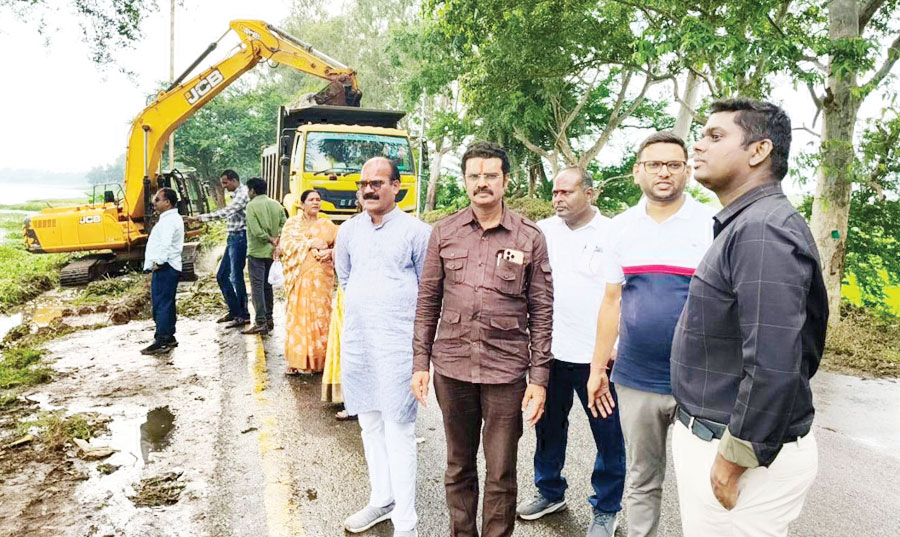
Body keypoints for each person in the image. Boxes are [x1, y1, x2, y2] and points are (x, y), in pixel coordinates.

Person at [669, 99, 827, 536]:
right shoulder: (748, 222)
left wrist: (735, 457)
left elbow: (775, 359)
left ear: (758, 151)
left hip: (738, 454)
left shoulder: (762, 229)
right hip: (719, 439)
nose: (697, 146)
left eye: (715, 136)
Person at [412, 141, 554, 537]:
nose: (482, 183)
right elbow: (427, 302)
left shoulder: (529, 237)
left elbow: (542, 310)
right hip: (453, 367)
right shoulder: (444, 232)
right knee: (458, 465)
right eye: (474, 176)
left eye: (491, 175)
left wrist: (539, 379)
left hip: (505, 373)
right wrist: (420, 364)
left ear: (505, 181)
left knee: (501, 470)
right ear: (465, 181)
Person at [586, 132, 716, 537]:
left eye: (674, 164)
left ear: (687, 171)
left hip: (702, 381)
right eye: (655, 164)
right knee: (643, 477)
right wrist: (596, 369)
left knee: (705, 482)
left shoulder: (713, 224)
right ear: (636, 172)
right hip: (637, 378)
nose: (665, 172)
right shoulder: (620, 228)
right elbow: (611, 303)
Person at [516, 167, 625, 537]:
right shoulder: (542, 231)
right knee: (548, 427)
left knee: (608, 435)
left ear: (590, 194)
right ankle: (549, 491)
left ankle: (607, 507)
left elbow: (624, 295)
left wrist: (614, 346)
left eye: (566, 192)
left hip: (597, 357)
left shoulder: (613, 233)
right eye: (555, 192)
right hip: (549, 353)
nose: (558, 198)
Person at [335, 157, 431, 537]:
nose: (368, 189)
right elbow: (346, 279)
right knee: (369, 423)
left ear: (396, 187)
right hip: (360, 341)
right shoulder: (348, 231)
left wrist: (424, 350)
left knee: (399, 428)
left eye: (377, 182)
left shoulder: (416, 231)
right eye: (363, 184)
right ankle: (382, 500)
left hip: (398, 345)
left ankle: (406, 522)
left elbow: (429, 291)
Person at [276, 189, 338, 374]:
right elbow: (286, 246)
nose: (315, 203)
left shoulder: (327, 224)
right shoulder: (293, 224)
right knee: (300, 317)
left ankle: (319, 360)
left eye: (318, 200)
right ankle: (299, 361)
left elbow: (339, 243)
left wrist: (329, 252)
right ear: (302, 204)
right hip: (300, 277)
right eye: (311, 200)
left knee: (321, 316)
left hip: (321, 279)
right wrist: (309, 244)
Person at [186, 169, 250, 328]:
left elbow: (226, 212)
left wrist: (200, 218)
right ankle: (234, 310)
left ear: (234, 180)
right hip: (233, 238)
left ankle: (243, 314)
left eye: (225, 183)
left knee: (236, 276)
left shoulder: (242, 194)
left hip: (240, 237)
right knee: (222, 275)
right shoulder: (236, 194)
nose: (224, 186)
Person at [141, 187, 184, 355]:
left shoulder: (168, 221)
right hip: (169, 266)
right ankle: (169, 336)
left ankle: (162, 340)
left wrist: (159, 262)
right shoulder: (171, 218)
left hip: (165, 267)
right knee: (167, 302)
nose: (154, 203)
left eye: (157, 200)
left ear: (167, 202)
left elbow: (166, 244)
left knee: (161, 304)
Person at [243, 178, 286, 336]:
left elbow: (255, 231)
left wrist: (268, 238)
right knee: (268, 286)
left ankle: (260, 321)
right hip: (271, 252)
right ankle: (269, 319)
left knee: (257, 287)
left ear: (253, 190)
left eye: (249, 190)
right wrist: (277, 238)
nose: (248, 193)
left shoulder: (251, 205)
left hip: (256, 251)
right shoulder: (276, 204)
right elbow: (285, 224)